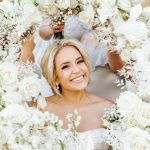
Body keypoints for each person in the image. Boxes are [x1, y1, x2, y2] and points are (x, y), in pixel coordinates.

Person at [32, 39, 113, 150]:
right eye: (65, 66)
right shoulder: (40, 109)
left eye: (79, 61)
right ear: (55, 77)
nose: (77, 70)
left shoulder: (108, 109)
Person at [20, 16, 125, 99]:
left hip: (92, 47)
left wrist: (106, 34)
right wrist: (44, 30)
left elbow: (119, 67)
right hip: (48, 54)